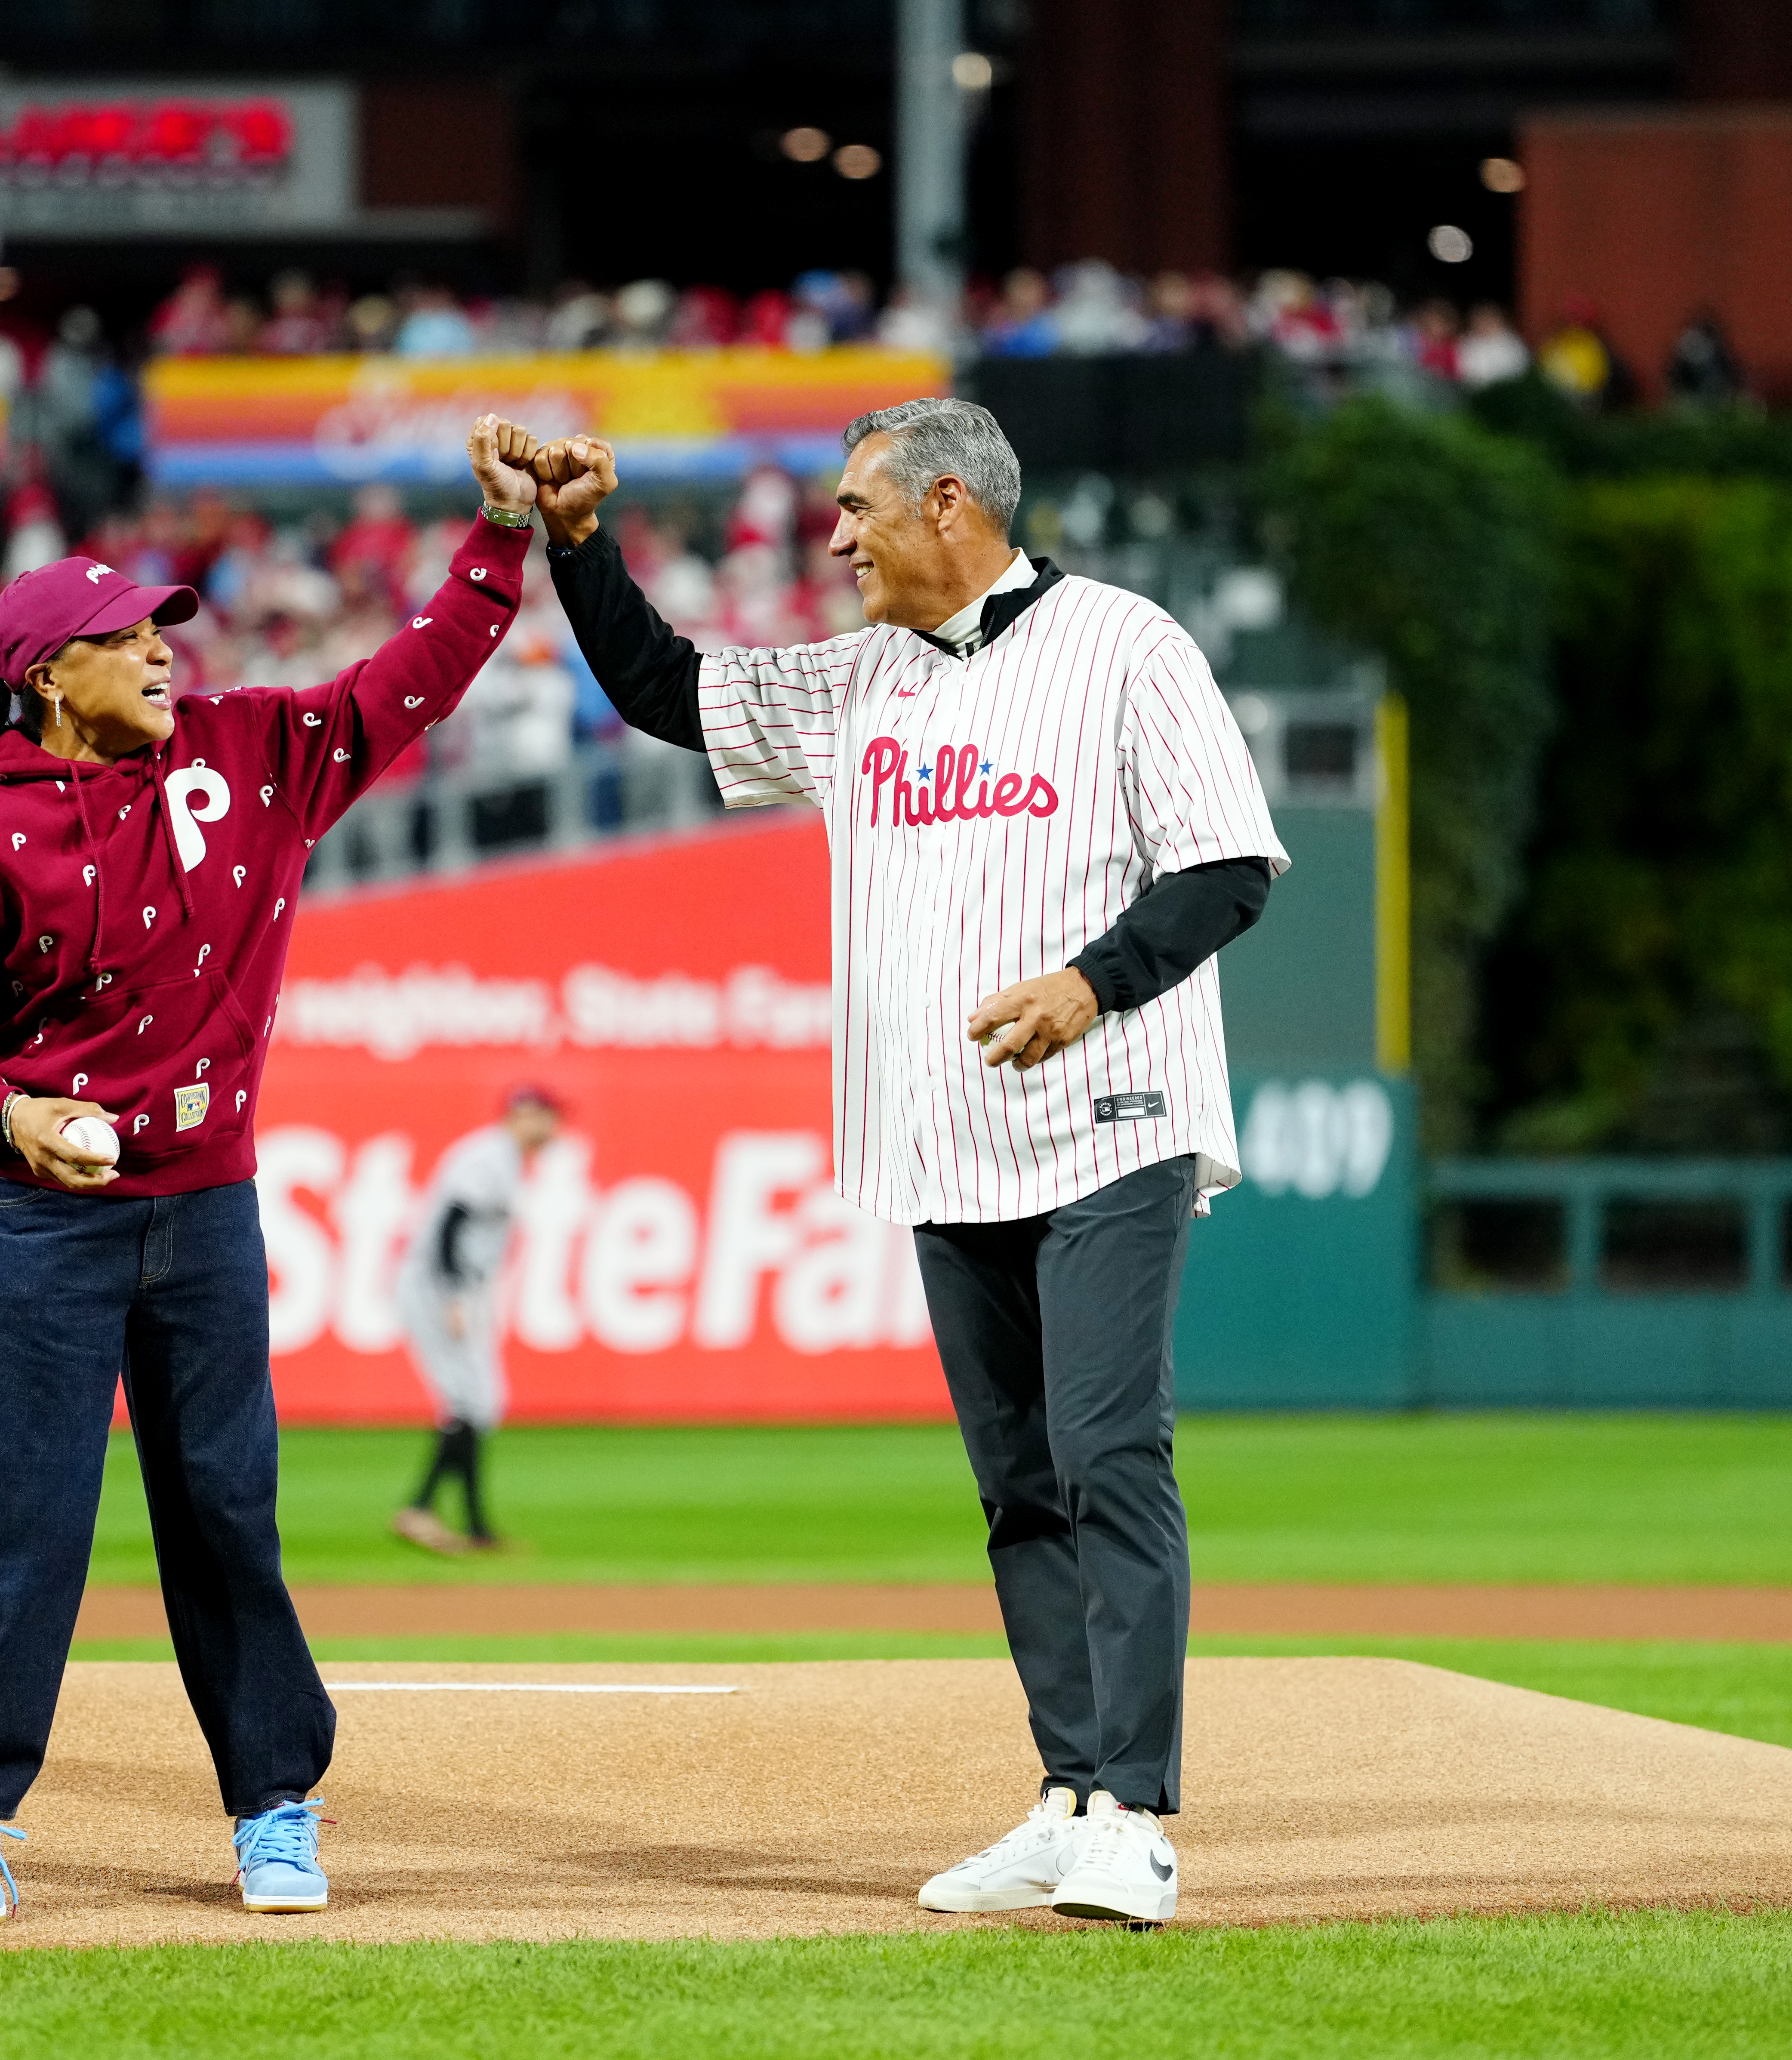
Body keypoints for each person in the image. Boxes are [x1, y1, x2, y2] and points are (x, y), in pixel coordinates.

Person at [528, 398, 1283, 1928]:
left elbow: (1224, 862)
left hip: (1110, 1117)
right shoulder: (852, 681)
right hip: (940, 1135)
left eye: (855, 509)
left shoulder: (1126, 646)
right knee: (1015, 1485)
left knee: (1103, 1450)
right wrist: (573, 542)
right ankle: (1068, 1789)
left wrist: (1089, 981)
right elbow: (663, 687)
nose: (833, 537)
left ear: (949, 504)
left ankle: (1134, 1815)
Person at [0, 413, 545, 1927]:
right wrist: (4, 1111)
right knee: (25, 1516)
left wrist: (498, 544)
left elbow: (404, 684)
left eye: (165, 626)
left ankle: (274, 1803)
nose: (167, 650)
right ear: (48, 677)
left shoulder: (251, 752)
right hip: (53, 1219)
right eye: (129, 637)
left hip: (209, 1208)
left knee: (228, 1507)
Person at [391, 1084, 563, 1554]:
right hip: (440, 1286)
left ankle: (466, 1524)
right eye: (547, 1115)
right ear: (523, 1114)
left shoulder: (505, 1158)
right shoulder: (489, 1156)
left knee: (479, 1403)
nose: (553, 1127)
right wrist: (452, 1296)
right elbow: (452, 1221)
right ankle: (427, 1511)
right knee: (470, 1401)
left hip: (460, 1287)